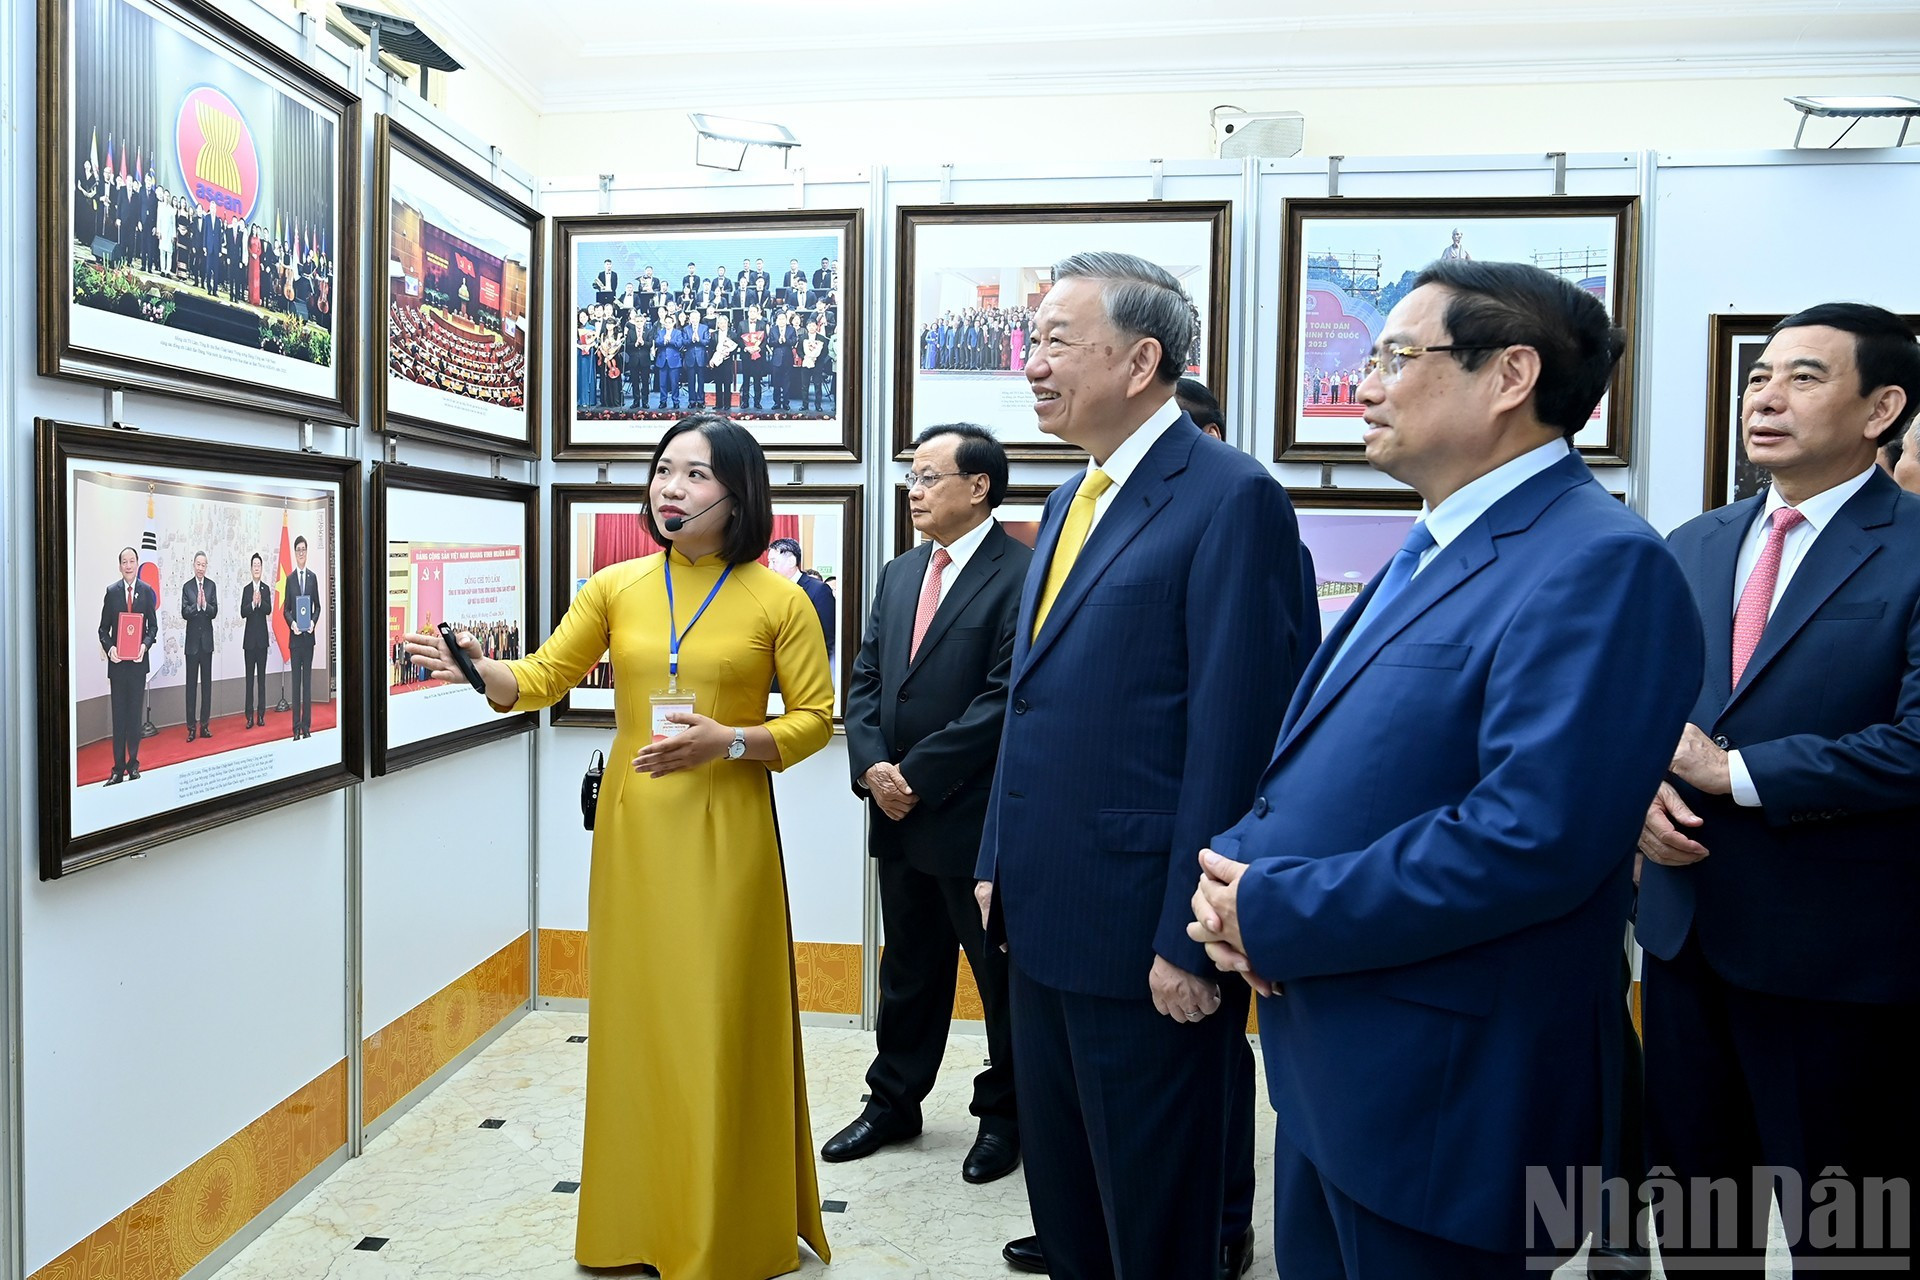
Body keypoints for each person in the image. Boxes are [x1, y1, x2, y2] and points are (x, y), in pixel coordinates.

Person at [1189, 259, 1703, 1279]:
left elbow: (1531, 835)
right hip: (1341, 1060)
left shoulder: (1599, 560)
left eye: (1394, 354)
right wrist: (1235, 880)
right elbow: (1340, 758)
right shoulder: (1435, 542)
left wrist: (1280, 909)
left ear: (1510, 374)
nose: (1364, 383)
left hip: (1449, 1091)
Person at [404, 414, 834, 1278]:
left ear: (738, 492)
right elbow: (540, 678)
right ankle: (637, 1221)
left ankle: (725, 1229)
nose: (670, 488)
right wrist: (475, 669)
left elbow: (816, 720)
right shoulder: (616, 585)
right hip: (637, 831)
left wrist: (731, 741)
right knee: (641, 1023)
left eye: (695, 475)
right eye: (663, 471)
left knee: (718, 1020)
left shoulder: (778, 599)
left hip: (730, 831)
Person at [976, 251, 1309, 1280]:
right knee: (1071, 1206)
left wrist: (1189, 937)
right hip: (1041, 919)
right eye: (1031, 341)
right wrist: (995, 853)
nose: (1032, 365)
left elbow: (1237, 735)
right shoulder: (1076, 488)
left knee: (1156, 1223)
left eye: (1056, 342)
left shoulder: (1229, 497)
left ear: (1142, 358)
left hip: (1145, 939)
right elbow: (1031, 703)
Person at [1636, 302, 1920, 1272]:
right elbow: (1639, 711)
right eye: (1760, 375)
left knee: (1850, 1233)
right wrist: (1637, 795)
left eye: (1804, 377)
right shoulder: (1694, 543)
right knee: (1698, 1221)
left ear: (1882, 406)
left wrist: (1736, 772)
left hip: (1837, 954)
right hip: (1682, 940)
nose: (1767, 395)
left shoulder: (1915, 548)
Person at [827, 423, 1030, 1186]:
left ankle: (1004, 1117)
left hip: (973, 817)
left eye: (928, 476)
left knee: (998, 977)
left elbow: (1003, 699)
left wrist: (914, 775)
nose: (913, 490)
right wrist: (874, 765)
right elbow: (869, 678)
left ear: (979, 486)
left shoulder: (1024, 573)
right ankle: (894, 1102)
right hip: (896, 811)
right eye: (911, 477)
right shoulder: (901, 571)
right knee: (907, 968)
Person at [97, 547, 159, 784]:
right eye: (125, 561)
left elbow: (152, 628)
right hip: (118, 666)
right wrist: (110, 647)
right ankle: (117, 769)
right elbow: (103, 629)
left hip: (137, 665)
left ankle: (133, 765)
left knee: (134, 717)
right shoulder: (112, 592)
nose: (129, 565)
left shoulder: (146, 591)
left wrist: (144, 645)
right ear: (120, 565)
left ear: (137, 563)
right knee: (119, 717)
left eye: (132, 561)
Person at [768, 537, 835, 664]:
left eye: (773, 561)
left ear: (791, 561)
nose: (769, 567)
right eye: (769, 562)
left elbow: (828, 637)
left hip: (809, 666)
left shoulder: (818, 590)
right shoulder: (772, 591)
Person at [282, 535, 320, 740]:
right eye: (298, 550)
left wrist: (313, 622)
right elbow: (286, 610)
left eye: (304, 549)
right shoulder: (289, 579)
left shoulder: (313, 577)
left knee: (307, 683)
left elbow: (318, 606)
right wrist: (293, 624)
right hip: (295, 640)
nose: (301, 553)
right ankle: (295, 727)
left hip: (309, 640)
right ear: (295, 553)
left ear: (307, 552)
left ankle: (307, 726)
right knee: (296, 684)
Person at [180, 550, 219, 742]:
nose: (201, 568)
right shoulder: (187, 587)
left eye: (204, 565)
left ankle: (204, 725)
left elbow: (215, 611)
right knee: (191, 688)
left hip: (207, 644)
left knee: (206, 686)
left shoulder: (211, 586)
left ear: (206, 566)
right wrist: (197, 606)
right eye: (198, 564)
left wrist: (205, 606)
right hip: (192, 645)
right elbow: (184, 612)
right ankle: (191, 727)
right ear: (193, 565)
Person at [240, 553, 273, 729]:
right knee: (249, 680)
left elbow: (269, 610)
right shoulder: (246, 589)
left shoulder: (266, 589)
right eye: (254, 565)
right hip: (249, 643)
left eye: (259, 564)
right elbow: (242, 612)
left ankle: (261, 715)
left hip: (262, 642)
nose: (257, 567)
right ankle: (249, 716)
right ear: (251, 568)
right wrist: (252, 604)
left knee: (261, 680)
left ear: (262, 568)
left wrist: (260, 603)